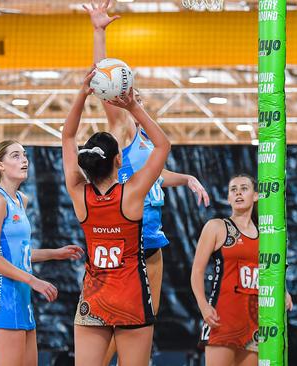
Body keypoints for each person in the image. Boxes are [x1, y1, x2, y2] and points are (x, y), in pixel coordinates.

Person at [83, 2, 210, 363]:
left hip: (152, 245)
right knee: (116, 330)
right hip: (125, 244)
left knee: (142, 328)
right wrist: (99, 32)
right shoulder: (121, 128)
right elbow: (100, 76)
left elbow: (154, 177)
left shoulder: (142, 138)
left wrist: (186, 179)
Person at [62, 67, 171, 366]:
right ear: (119, 161)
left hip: (94, 298)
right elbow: (163, 146)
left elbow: (68, 135)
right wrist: (133, 106)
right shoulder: (132, 194)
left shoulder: (79, 194)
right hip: (131, 297)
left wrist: (82, 94)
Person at [0, 140, 84, 366]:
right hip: (3, 295)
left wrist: (55, 253)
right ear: (0, 165)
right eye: (16, 156)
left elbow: (17, 253)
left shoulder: (21, 199)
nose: (24, 160)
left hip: (22, 295)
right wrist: (34, 280)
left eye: (25, 155)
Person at [191, 174, 292, 366]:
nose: (238, 192)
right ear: (228, 198)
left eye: (244, 188)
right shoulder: (216, 227)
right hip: (223, 318)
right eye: (233, 189)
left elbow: (271, 271)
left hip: (254, 322)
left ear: (256, 196)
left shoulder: (267, 235)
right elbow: (197, 271)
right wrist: (203, 306)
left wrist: (284, 291)